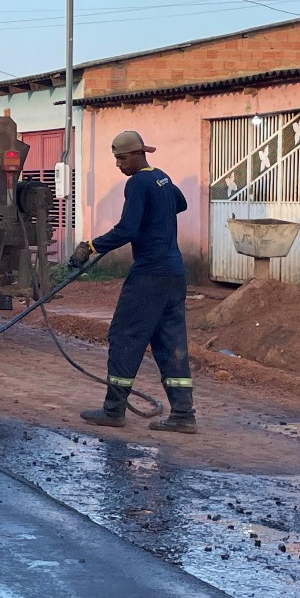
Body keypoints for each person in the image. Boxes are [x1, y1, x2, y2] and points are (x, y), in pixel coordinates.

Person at [69, 130, 196, 433]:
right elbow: (180, 203)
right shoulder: (161, 177)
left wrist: (90, 247)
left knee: (125, 337)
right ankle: (183, 415)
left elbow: (126, 229)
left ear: (138, 154)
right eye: (116, 158)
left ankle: (113, 410)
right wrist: (155, 219)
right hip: (174, 275)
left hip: (149, 276)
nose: (118, 164)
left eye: (122, 158)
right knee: (170, 342)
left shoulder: (137, 183)